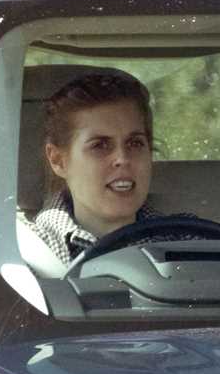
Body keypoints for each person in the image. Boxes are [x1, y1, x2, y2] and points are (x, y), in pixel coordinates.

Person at [25, 71, 199, 266]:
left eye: (135, 143)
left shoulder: (191, 242)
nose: (122, 159)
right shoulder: (21, 253)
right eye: (100, 145)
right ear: (58, 160)